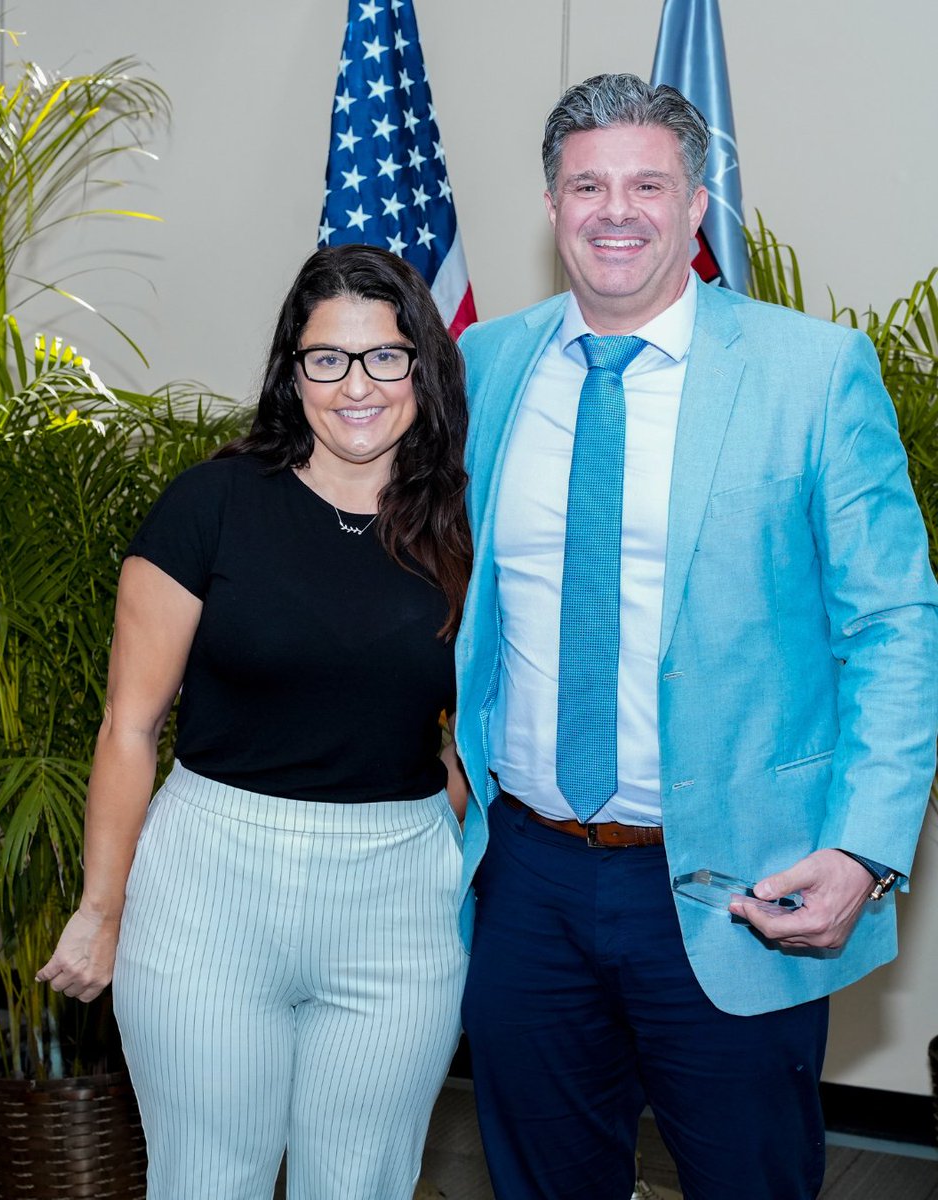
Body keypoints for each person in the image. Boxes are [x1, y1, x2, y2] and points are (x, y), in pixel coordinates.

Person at [452, 73, 938, 1200]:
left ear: (695, 207)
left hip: (737, 886)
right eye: (587, 184)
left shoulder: (813, 373)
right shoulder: (484, 369)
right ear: (551, 203)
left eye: (646, 184)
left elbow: (895, 625)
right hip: (526, 881)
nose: (615, 210)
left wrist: (866, 847)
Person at [37, 243, 472, 1200]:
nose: (356, 385)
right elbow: (128, 730)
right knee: (206, 1182)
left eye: (385, 356)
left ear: (422, 369)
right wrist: (101, 912)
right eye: (327, 358)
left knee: (360, 1186)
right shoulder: (211, 505)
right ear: (292, 371)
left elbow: (475, 722)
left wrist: (440, 826)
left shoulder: (464, 521)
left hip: (398, 898)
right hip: (210, 888)